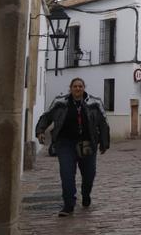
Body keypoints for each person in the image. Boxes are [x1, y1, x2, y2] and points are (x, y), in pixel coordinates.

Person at [35, 77, 110, 217]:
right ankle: (68, 205)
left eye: (80, 86)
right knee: (67, 174)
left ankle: (86, 194)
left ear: (84, 88)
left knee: (89, 174)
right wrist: (40, 131)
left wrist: (104, 143)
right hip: (65, 144)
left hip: (87, 143)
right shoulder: (60, 102)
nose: (77, 89)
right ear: (70, 88)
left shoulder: (95, 103)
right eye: (75, 86)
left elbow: (103, 123)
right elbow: (46, 117)